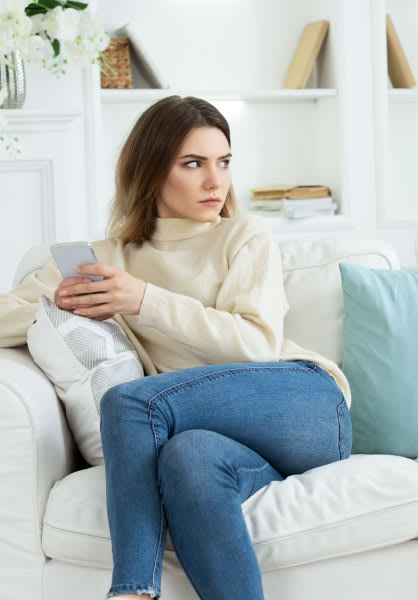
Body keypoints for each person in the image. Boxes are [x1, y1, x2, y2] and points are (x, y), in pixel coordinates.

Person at [0, 96, 352, 600]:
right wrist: (51, 300)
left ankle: (132, 590)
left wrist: (143, 299)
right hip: (220, 438)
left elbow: (255, 345)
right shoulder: (105, 260)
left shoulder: (243, 236)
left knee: (130, 401)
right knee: (186, 458)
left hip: (303, 404)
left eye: (224, 162)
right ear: (151, 171)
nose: (217, 182)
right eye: (194, 164)